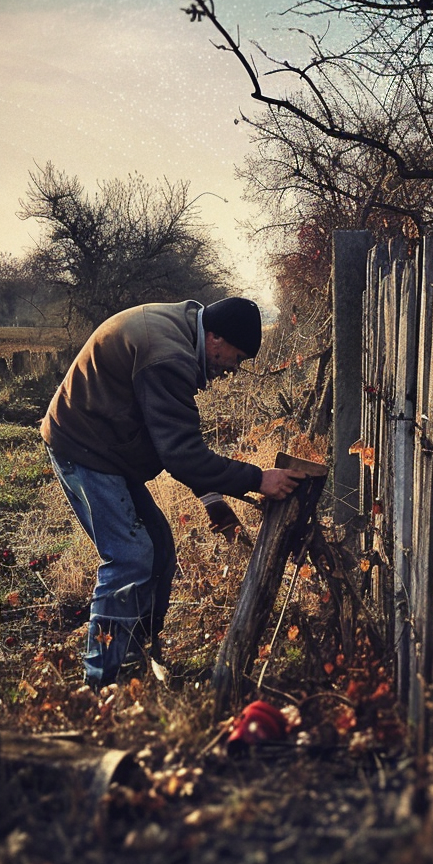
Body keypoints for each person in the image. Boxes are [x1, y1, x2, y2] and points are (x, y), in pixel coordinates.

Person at [41, 295, 306, 689]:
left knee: (160, 549)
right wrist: (256, 479)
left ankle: (137, 657)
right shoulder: (168, 356)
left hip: (111, 445)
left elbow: (166, 434)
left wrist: (213, 499)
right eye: (235, 357)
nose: (232, 370)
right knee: (130, 559)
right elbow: (182, 453)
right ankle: (103, 682)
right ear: (214, 338)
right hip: (86, 447)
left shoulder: (179, 332)